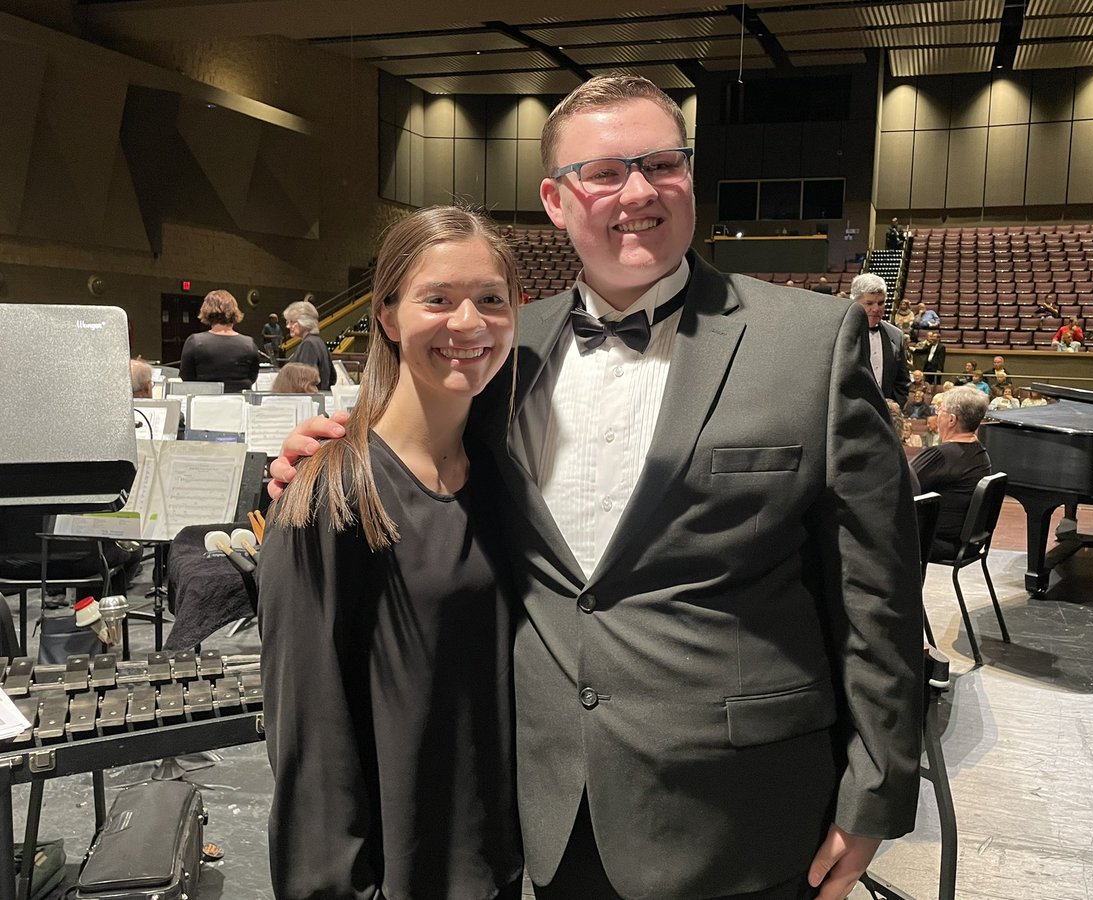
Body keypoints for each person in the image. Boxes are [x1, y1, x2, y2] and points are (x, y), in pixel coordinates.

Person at [271, 75, 924, 900]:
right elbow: (414, 460)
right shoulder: (504, 347)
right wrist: (321, 454)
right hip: (542, 813)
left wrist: (876, 790)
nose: (638, 193)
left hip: (747, 819)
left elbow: (880, 595)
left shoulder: (814, 341)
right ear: (555, 198)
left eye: (662, 164)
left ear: (692, 175)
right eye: (605, 172)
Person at [257, 207, 523, 900]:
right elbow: (308, 743)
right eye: (438, 299)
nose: (469, 323)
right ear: (387, 315)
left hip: (501, 867)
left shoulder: (505, 480)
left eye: (491, 299)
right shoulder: (330, 491)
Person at [911, 385, 992, 560]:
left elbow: (901, 483)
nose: (937, 414)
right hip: (968, 543)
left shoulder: (941, 455)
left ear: (951, 420)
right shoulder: (980, 453)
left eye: (939, 410)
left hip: (938, 542)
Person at [179, 289, 260, 392]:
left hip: (204, 404)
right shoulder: (249, 344)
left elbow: (186, 377)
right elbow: (252, 377)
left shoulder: (195, 342)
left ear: (206, 311)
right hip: (239, 404)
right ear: (234, 311)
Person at [851, 272, 910, 406]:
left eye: (881, 303)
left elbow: (902, 381)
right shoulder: (840, 333)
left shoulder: (895, 335)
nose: (876, 309)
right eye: (869, 303)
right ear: (854, 303)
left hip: (884, 418)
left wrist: (893, 408)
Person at [283, 299, 334, 390]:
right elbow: (333, 377)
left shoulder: (308, 345)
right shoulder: (319, 342)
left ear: (304, 322)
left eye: (292, 322)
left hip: (309, 402)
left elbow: (306, 382)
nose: (288, 326)